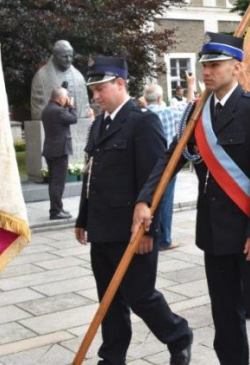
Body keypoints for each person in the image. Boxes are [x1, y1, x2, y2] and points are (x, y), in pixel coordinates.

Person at [134, 33, 250, 365]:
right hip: (214, 234)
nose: (207, 72)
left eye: (215, 65)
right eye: (204, 66)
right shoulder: (195, 114)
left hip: (249, 232)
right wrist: (146, 199)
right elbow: (170, 158)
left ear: (237, 68)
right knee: (225, 315)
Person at [75, 56, 193, 365]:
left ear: (120, 84)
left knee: (140, 296)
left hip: (132, 228)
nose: (96, 96)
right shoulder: (100, 123)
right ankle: (112, 357)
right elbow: (92, 173)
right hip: (102, 227)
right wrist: (83, 218)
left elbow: (156, 180)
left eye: (100, 89)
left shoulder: (142, 121)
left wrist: (150, 230)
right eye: (93, 90)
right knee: (109, 300)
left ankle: (178, 335)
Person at [143, 72, 196, 250]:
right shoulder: (168, 112)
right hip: (166, 164)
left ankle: (146, 233)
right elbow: (190, 107)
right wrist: (190, 85)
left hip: (145, 165)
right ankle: (164, 239)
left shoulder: (139, 116)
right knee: (165, 201)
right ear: (159, 98)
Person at [42, 87, 77, 220]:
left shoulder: (47, 109)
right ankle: (56, 211)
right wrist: (71, 106)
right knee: (58, 183)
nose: (67, 100)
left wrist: (66, 107)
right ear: (61, 98)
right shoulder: (58, 111)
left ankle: (57, 208)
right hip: (59, 151)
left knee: (54, 182)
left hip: (51, 150)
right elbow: (73, 119)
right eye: (66, 97)